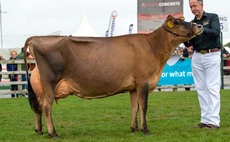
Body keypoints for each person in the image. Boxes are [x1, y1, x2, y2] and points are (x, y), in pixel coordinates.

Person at [184, 0, 221, 128]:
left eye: (195, 5)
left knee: (212, 88)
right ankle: (205, 120)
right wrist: (184, 37)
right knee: (200, 89)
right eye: (191, 6)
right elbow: (189, 44)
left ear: (201, 5)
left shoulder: (212, 17)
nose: (193, 8)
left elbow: (216, 33)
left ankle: (214, 121)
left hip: (212, 54)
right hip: (197, 56)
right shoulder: (191, 24)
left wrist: (200, 29)